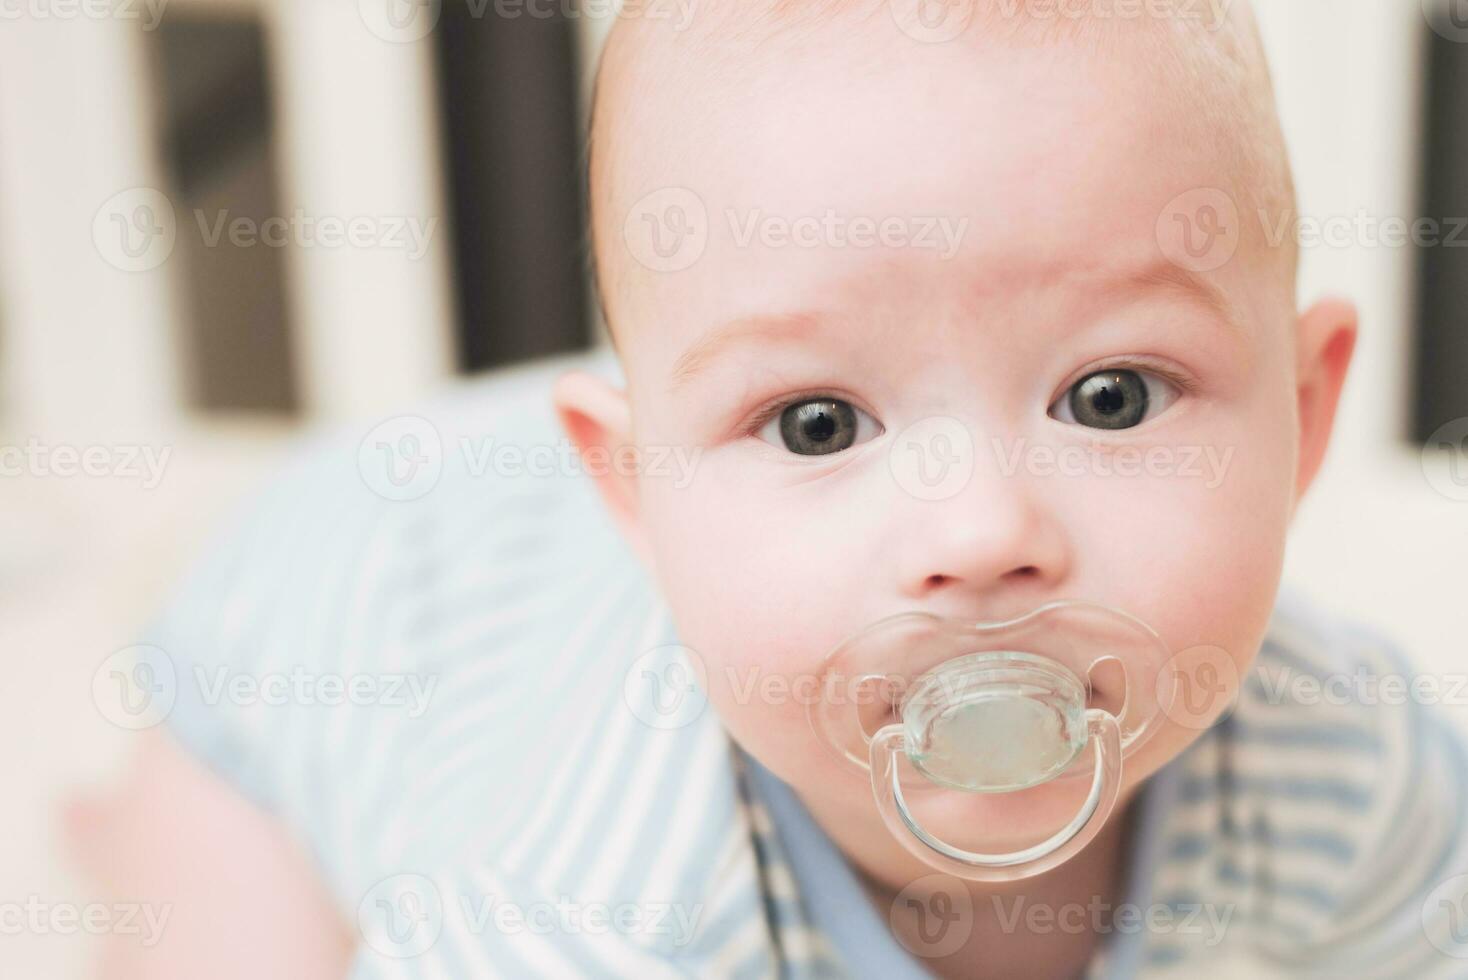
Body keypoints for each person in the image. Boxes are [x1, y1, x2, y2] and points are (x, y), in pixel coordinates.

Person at [69, 2, 1468, 976]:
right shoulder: (567, 911)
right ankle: (122, 826)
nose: (980, 535)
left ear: (1299, 413)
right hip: (316, 632)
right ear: (636, 496)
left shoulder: (1338, 759)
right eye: (815, 424)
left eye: (1110, 397)